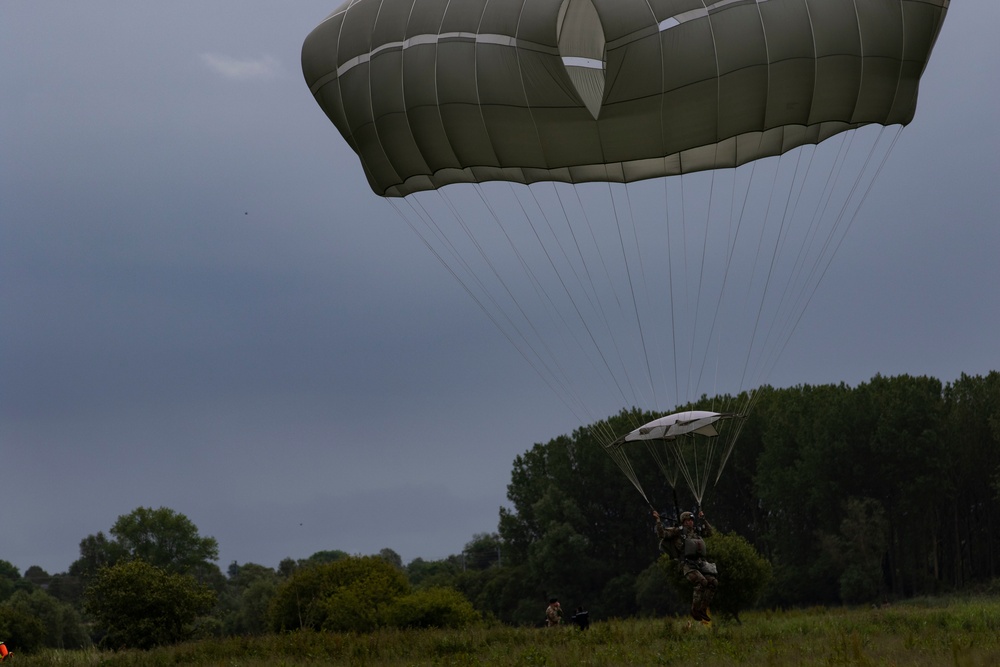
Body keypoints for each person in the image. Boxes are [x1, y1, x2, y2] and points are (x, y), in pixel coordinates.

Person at [653, 509, 718, 622]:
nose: (690, 522)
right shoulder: (677, 531)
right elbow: (662, 534)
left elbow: (710, 532)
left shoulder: (696, 531)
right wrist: (658, 520)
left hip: (700, 563)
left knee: (713, 582)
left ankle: (703, 609)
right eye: (687, 520)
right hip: (687, 565)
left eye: (691, 520)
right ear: (683, 522)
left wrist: (703, 519)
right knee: (701, 582)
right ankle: (695, 610)